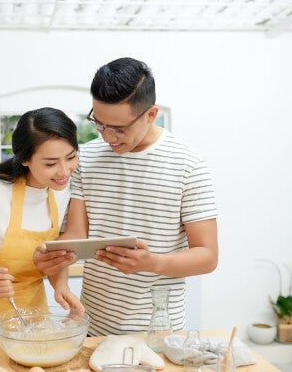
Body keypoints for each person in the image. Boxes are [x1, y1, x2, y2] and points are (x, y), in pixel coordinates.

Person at [34, 57, 218, 336]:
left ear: (151, 114)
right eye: (99, 123)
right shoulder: (88, 157)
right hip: (93, 329)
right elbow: (76, 234)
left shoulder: (188, 165)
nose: (108, 137)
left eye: (119, 128)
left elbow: (207, 256)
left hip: (158, 333)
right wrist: (52, 256)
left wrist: (153, 262)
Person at [0, 107, 84, 342]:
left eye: (70, 157)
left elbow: (54, 256)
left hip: (34, 318)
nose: (64, 171)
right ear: (25, 160)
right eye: (51, 163)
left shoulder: (61, 191)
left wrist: (61, 286)